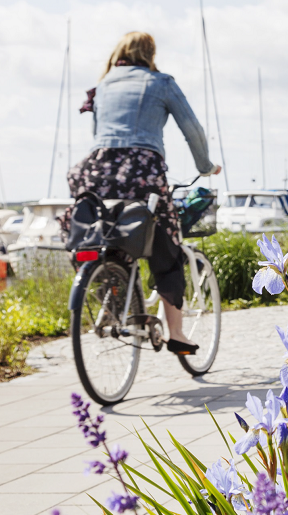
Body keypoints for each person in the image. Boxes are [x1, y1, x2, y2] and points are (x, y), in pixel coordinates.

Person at [68, 31, 220, 355]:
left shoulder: (104, 85)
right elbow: (192, 129)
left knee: (106, 235)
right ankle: (177, 333)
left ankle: (113, 299)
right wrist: (205, 166)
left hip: (96, 168)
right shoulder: (160, 82)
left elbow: (99, 134)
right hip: (142, 169)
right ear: (150, 54)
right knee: (167, 242)